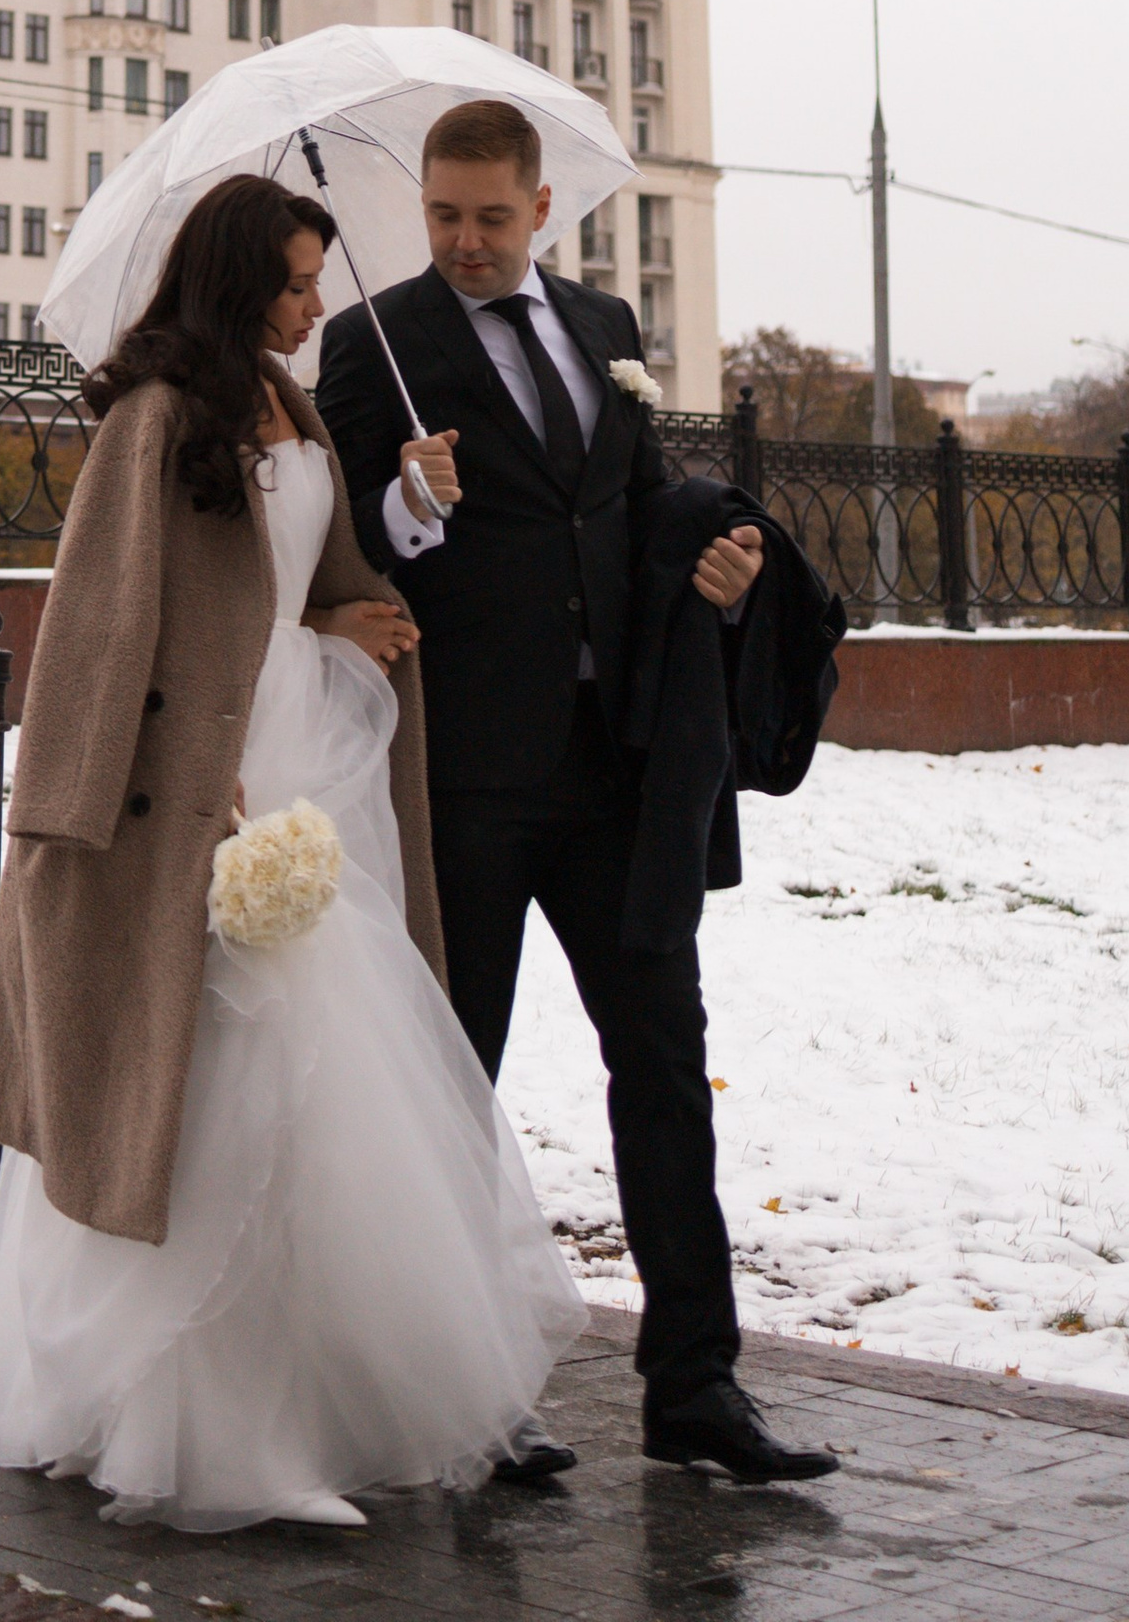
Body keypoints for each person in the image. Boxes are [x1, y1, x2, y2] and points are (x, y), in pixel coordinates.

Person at [0, 172, 586, 1531]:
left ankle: (318, 1405)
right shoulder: (158, 418)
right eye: (290, 280)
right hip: (199, 789)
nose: (314, 301)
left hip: (312, 769)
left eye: (316, 277)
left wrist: (378, 568)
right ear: (232, 281)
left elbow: (315, 580)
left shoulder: (296, 402)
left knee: (325, 1073)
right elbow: (103, 630)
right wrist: (168, 779)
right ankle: (207, 1426)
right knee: (204, 1070)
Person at [314, 96, 837, 1486]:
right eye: (442, 216)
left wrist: (717, 564)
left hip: (619, 774)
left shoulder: (605, 330)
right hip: (470, 776)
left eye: (491, 216)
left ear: (543, 209)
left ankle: (697, 1389)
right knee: (453, 1085)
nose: (466, 242)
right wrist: (411, 505)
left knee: (663, 1067)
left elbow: (638, 505)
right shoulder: (375, 344)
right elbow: (340, 541)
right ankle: (466, 1395)